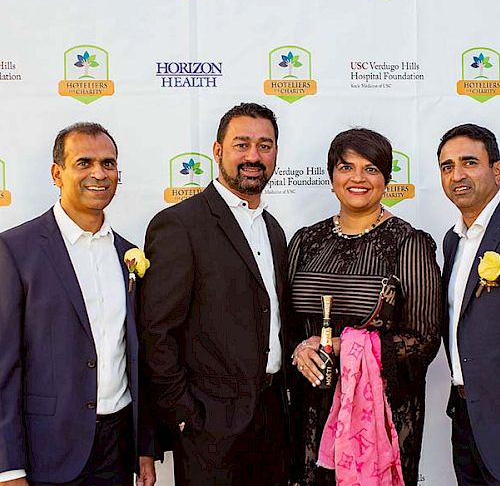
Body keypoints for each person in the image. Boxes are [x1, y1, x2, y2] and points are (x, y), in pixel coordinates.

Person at [139, 102, 289, 485]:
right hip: (210, 429)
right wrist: (186, 415)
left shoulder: (272, 230)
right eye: (241, 144)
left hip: (272, 421)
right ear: (218, 150)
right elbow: (157, 332)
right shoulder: (179, 225)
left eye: (265, 145)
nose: (253, 156)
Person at [0, 123, 158, 485]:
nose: (98, 174)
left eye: (108, 163)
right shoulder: (15, 250)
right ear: (58, 173)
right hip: (46, 451)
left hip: (117, 448)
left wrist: (143, 446)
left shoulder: (127, 254)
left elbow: (135, 358)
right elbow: (3, 368)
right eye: (84, 162)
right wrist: (8, 467)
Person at [288, 128, 441, 486]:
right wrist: (300, 349)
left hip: (380, 413)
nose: (358, 178)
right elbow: (288, 326)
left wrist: (345, 348)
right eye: (346, 167)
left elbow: (424, 340)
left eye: (371, 168)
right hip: (309, 408)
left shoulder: (408, 243)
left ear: (386, 179)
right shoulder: (305, 241)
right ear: (331, 177)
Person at [438, 123, 500, 485]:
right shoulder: (453, 241)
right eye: (447, 167)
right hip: (465, 414)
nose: (457, 175)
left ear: (496, 169)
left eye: (468, 162)